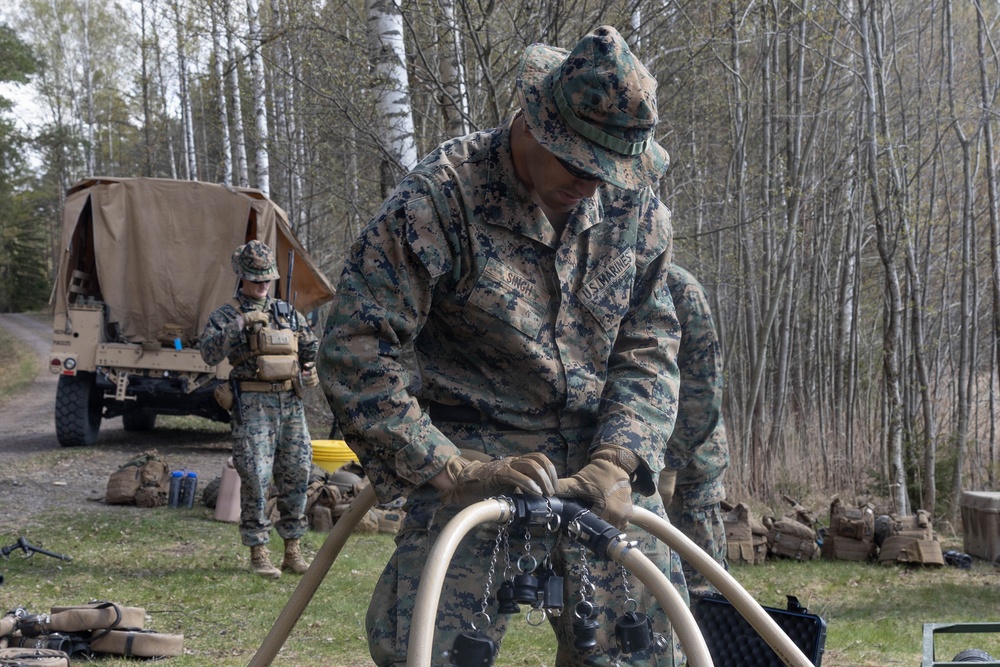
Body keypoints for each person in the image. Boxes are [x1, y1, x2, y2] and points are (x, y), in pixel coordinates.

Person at [319, 26, 686, 666]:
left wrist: (621, 458)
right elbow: (358, 353)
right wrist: (452, 470)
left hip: (599, 456)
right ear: (535, 123)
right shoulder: (439, 201)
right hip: (474, 451)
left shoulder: (634, 209)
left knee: (647, 652)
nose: (594, 185)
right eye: (579, 164)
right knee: (427, 649)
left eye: (610, 169)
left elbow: (649, 345)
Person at [200, 240, 320, 579]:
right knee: (255, 476)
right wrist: (238, 327)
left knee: (298, 472)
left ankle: (293, 549)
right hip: (253, 406)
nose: (261, 285)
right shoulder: (227, 314)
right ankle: (258, 551)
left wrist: (311, 371)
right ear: (242, 277)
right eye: (255, 279)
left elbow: (311, 348)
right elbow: (208, 353)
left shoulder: (286, 313)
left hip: (290, 405)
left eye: (266, 278)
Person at [661, 264, 729, 599]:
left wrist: (671, 462)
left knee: (702, 591)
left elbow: (703, 386)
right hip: (629, 463)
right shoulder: (605, 277)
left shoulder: (678, 287)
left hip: (690, 470)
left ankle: (708, 655)